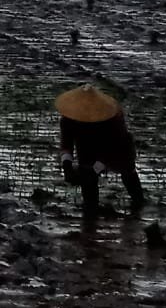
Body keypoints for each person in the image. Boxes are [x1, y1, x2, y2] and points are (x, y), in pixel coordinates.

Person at [56, 84, 144, 216]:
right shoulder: (68, 119)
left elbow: (114, 147)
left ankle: (138, 203)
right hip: (86, 147)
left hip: (117, 148)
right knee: (87, 177)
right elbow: (66, 143)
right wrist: (67, 165)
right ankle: (90, 212)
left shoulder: (112, 116)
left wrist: (96, 169)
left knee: (127, 171)